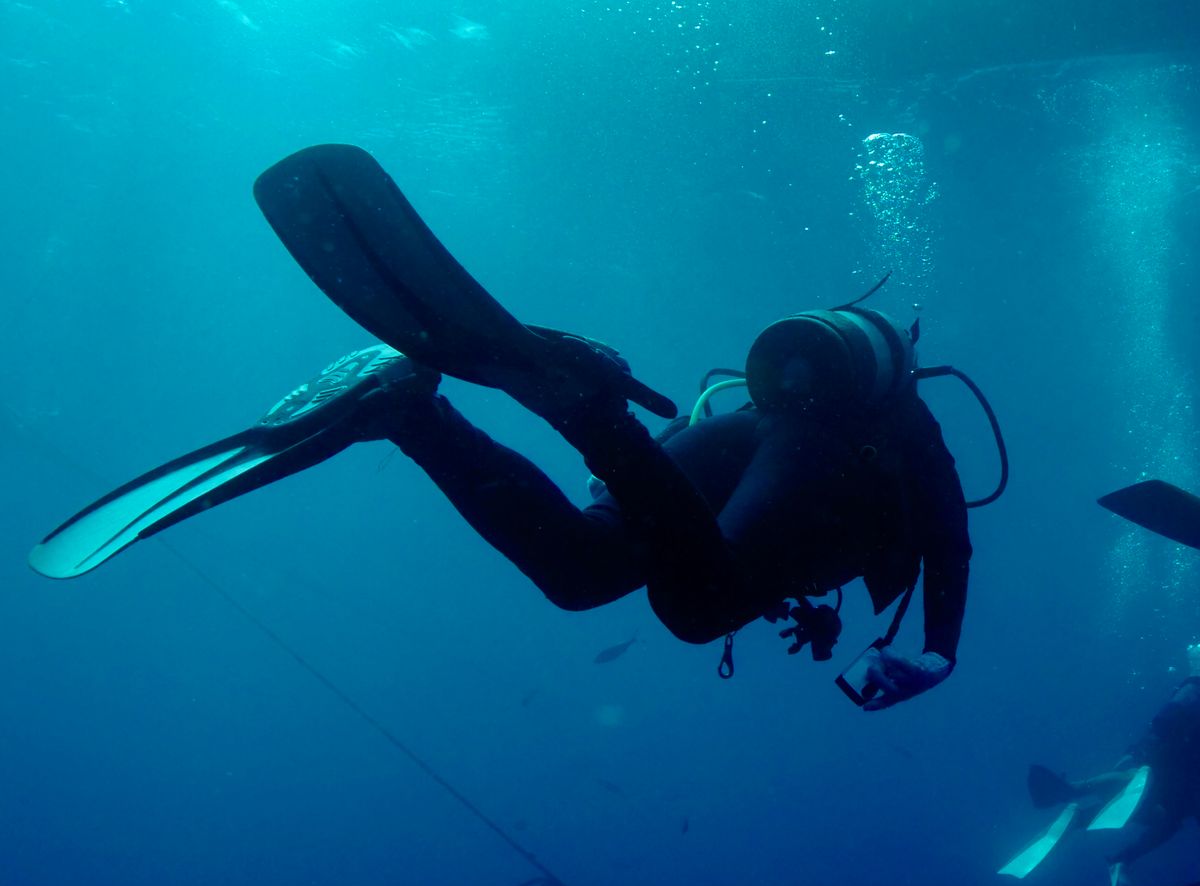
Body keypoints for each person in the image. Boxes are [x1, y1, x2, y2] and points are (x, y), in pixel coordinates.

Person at [29, 144, 987, 711]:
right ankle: (585, 414)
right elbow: (949, 539)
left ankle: (412, 411)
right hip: (796, 459)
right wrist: (937, 652)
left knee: (582, 571)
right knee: (698, 608)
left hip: (732, 433)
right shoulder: (905, 430)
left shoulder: (783, 409)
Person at [1026, 645, 1200, 881]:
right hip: (1174, 762)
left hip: (1181, 772)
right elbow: (1166, 719)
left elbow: (1165, 720)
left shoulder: (1192, 690)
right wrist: (1146, 749)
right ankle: (1073, 794)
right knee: (1146, 791)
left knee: (1166, 817)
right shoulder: (1194, 689)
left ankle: (1091, 827)